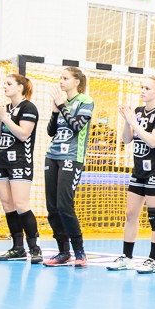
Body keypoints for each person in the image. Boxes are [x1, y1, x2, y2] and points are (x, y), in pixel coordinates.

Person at [107, 77, 155, 274]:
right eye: (142, 87)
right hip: (138, 170)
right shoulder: (138, 111)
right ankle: (127, 257)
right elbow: (127, 139)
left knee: (154, 215)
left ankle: (153, 260)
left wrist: (134, 123)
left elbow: (153, 141)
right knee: (130, 214)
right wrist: (127, 122)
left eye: (147, 88)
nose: (142, 91)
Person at [43, 67, 95, 268]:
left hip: (71, 158)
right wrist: (55, 111)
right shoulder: (61, 103)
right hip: (52, 156)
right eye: (60, 78)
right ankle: (63, 251)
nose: (61, 81)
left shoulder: (85, 101)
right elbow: (51, 131)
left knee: (64, 205)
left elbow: (76, 126)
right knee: (52, 207)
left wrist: (62, 105)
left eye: (65, 78)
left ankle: (79, 251)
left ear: (76, 82)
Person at [0, 73, 41, 263]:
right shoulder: (5, 108)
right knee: (7, 205)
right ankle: (17, 247)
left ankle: (35, 248)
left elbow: (23, 134)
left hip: (20, 161)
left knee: (21, 204)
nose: (5, 86)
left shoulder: (28, 107)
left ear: (20, 87)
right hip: (1, 160)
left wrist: (4, 117)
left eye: (9, 83)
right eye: (4, 83)